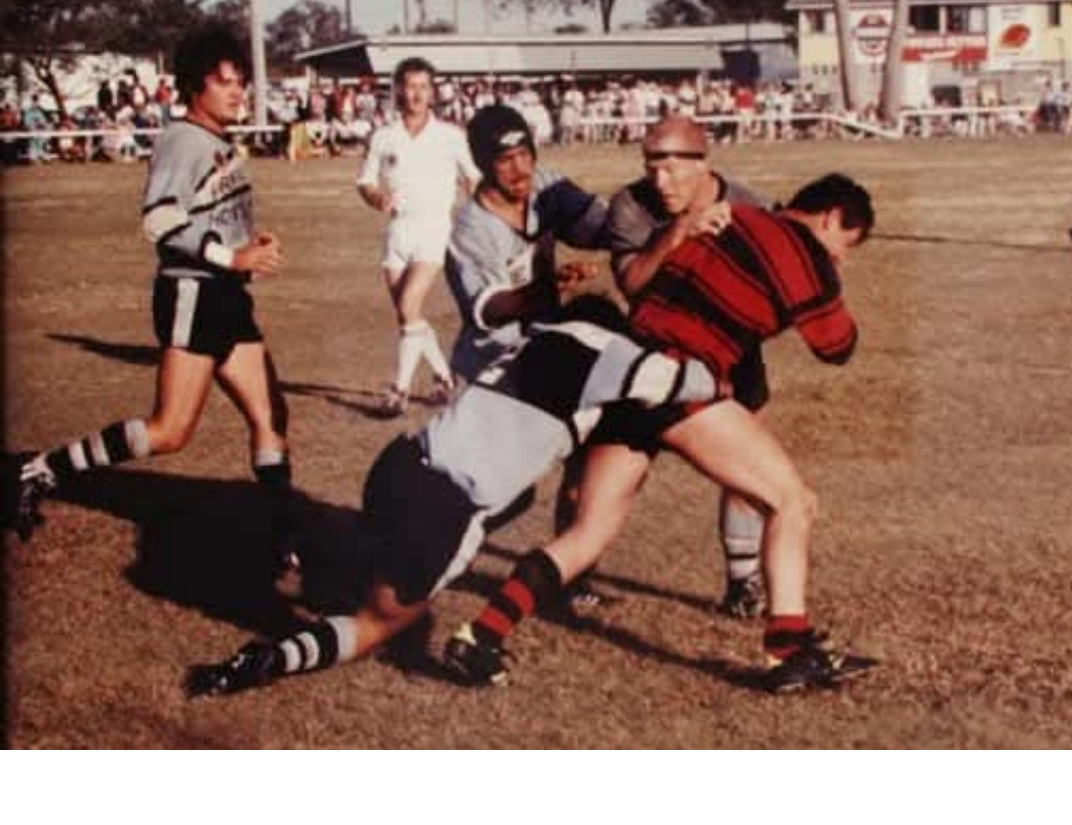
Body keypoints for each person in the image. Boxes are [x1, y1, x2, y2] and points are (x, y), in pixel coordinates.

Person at [445, 174, 880, 694]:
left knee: (588, 534)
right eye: (846, 246)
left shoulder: (731, 217)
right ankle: (791, 649)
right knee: (792, 502)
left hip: (625, 372)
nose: (842, 257)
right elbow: (838, 347)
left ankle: (481, 634)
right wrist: (830, 277)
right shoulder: (804, 252)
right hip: (678, 382)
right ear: (831, 217)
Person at [183, 298, 719, 697]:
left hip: (397, 466)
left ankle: (315, 550)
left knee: (516, 500)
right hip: (444, 502)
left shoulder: (530, 338)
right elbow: (689, 382)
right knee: (381, 623)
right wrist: (710, 371)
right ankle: (269, 659)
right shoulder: (604, 348)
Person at [13, 26, 301, 582]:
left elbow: (209, 216)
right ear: (196, 87)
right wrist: (231, 258)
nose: (239, 92)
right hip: (193, 293)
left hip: (225, 298)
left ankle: (283, 535)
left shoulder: (216, 141)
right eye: (226, 83)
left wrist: (249, 247)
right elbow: (160, 222)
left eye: (241, 82)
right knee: (170, 431)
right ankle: (40, 469)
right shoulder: (182, 140)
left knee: (271, 415)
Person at [444, 103, 610, 607]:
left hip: (548, 351)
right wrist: (546, 288)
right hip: (495, 366)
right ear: (482, 165)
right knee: (503, 491)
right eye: (505, 160)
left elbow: (601, 226)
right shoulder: (471, 228)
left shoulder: (547, 185)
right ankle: (428, 546)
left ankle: (573, 580)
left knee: (585, 463)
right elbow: (490, 310)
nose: (520, 170)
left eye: (525, 155)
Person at [607, 116, 771, 619]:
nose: (660, 182)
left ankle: (743, 583)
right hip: (653, 358)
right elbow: (633, 284)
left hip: (733, 355)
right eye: (652, 168)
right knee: (612, 479)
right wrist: (679, 230)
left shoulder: (750, 206)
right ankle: (572, 577)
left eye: (672, 169)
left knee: (746, 474)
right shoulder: (630, 206)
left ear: (704, 163)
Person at [357, 58, 480, 417]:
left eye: (424, 87)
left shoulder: (451, 136)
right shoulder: (384, 136)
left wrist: (482, 210)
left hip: (434, 228)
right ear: (397, 89)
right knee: (407, 316)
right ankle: (444, 380)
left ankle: (400, 391)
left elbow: (473, 177)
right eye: (410, 86)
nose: (416, 94)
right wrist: (376, 197)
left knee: (410, 306)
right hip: (397, 232)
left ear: (433, 91)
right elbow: (365, 181)